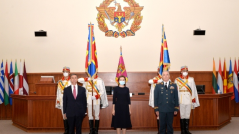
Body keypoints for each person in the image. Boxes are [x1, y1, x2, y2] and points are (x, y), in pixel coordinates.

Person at [174, 66, 200, 134]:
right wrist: (176, 100)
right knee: (182, 115)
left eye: (186, 71)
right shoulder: (177, 80)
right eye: (183, 71)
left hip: (188, 99)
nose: (185, 72)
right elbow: (175, 91)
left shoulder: (191, 79)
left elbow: (194, 89)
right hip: (181, 98)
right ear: (181, 71)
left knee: (187, 114)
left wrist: (193, 98)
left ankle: (186, 130)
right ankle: (182, 131)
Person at [55, 67, 71, 134]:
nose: (65, 73)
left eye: (66, 72)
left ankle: (70, 130)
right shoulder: (59, 82)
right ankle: (66, 131)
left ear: (69, 73)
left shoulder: (71, 81)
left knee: (69, 115)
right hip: (61, 99)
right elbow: (58, 91)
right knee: (63, 115)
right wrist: (58, 99)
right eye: (64, 71)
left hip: (69, 100)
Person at [148, 67, 163, 134]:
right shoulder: (154, 79)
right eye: (160, 71)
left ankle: (164, 131)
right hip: (157, 100)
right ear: (158, 71)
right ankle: (160, 131)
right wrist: (158, 81)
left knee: (165, 116)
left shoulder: (167, 79)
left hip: (165, 100)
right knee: (158, 115)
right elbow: (149, 81)